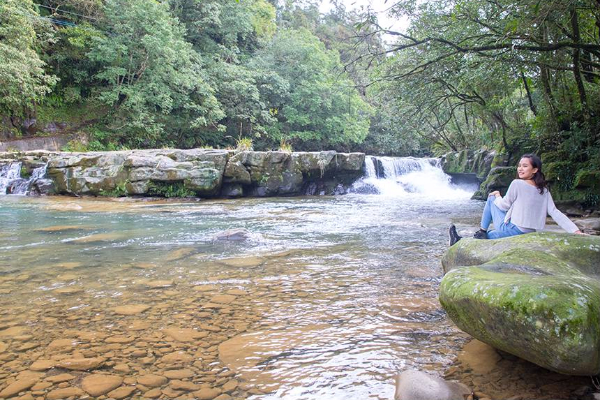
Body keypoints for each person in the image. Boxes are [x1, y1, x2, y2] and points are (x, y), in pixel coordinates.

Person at [449, 153, 583, 246]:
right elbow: (555, 212)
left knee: (490, 199)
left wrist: (497, 196)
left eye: (525, 166)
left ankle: (481, 231)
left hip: (513, 229)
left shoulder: (517, 183)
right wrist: (575, 230)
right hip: (529, 232)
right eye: (519, 165)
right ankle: (470, 237)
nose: (520, 168)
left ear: (535, 169)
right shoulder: (544, 190)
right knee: (491, 235)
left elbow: (503, 206)